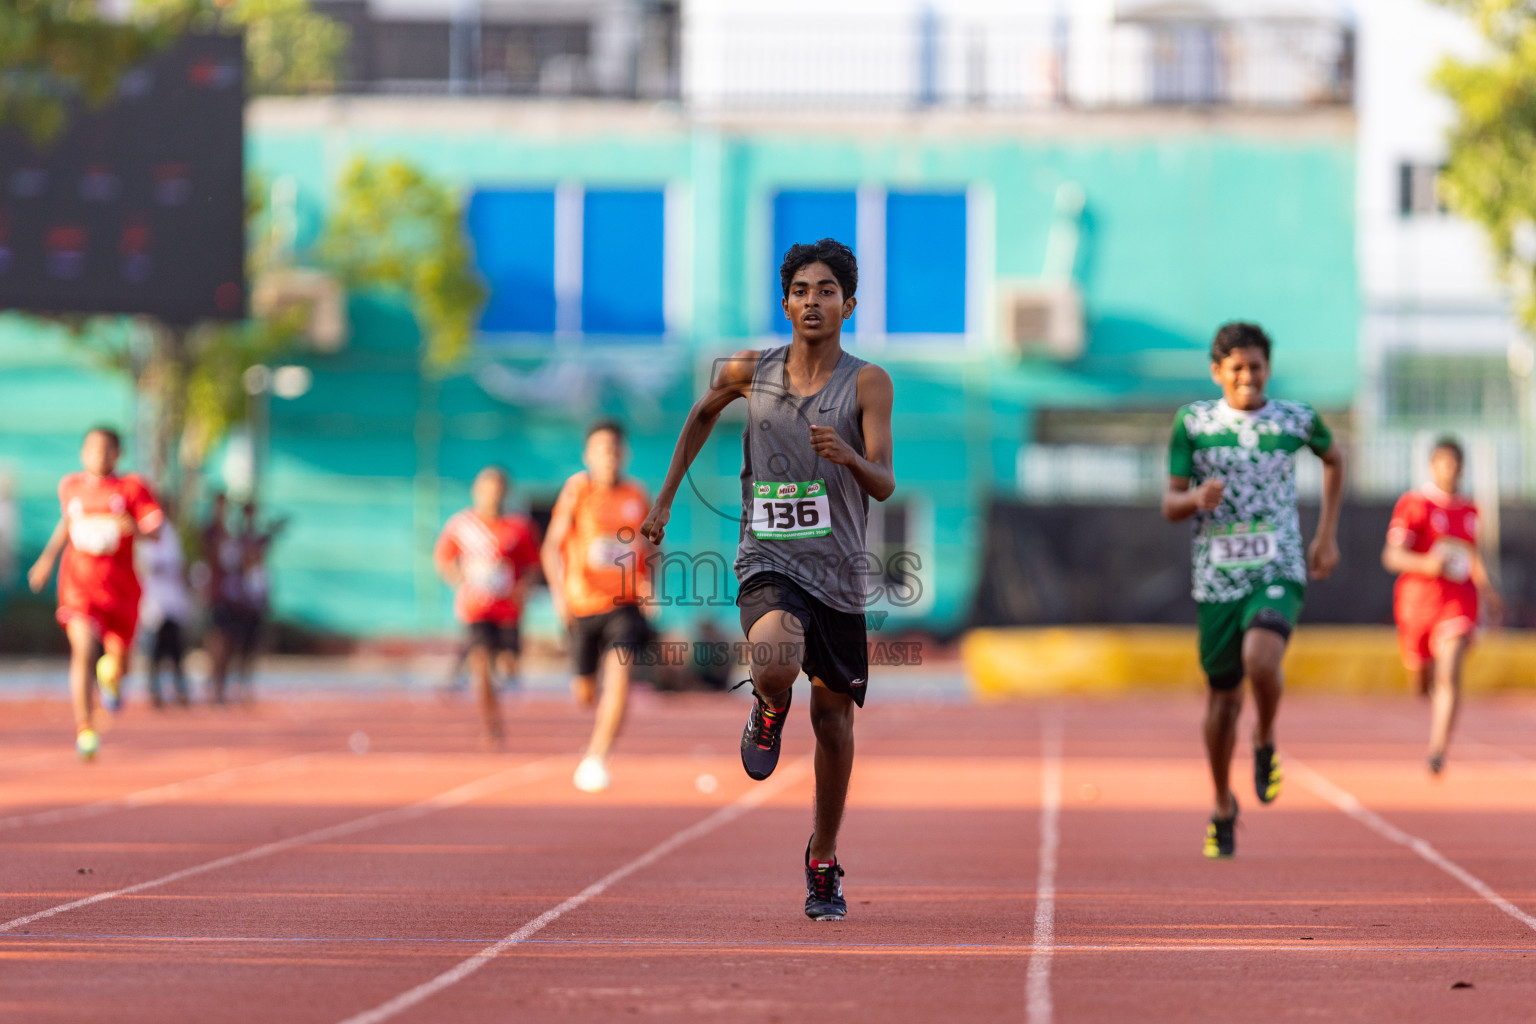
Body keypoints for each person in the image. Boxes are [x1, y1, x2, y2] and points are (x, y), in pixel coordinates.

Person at [641, 238, 895, 921]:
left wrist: (847, 455)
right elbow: (700, 413)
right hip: (768, 557)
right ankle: (768, 705)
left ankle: (823, 858)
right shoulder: (751, 368)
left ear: (849, 304)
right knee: (776, 660)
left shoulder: (868, 383)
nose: (814, 301)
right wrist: (665, 499)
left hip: (838, 572)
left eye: (828, 291)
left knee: (835, 723)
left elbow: (885, 482)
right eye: (802, 290)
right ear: (786, 302)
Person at [1162, 322, 1345, 859]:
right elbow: (1169, 505)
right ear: (1217, 371)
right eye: (1237, 368)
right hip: (1217, 575)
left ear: (1269, 368)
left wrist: (1326, 535)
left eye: (1257, 367)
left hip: (1278, 564)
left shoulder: (1296, 418)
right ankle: (1222, 804)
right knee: (1221, 699)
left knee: (1262, 660)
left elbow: (1335, 460)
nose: (1248, 377)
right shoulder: (1193, 423)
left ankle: (1264, 737)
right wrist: (1196, 499)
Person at [28, 426, 163, 759]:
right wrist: (46, 560)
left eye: (105, 450)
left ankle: (112, 675)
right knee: (83, 650)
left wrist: (134, 529)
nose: (97, 456)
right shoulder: (71, 487)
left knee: (119, 661)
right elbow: (67, 524)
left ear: (117, 454)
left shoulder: (132, 487)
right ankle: (85, 727)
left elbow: (155, 530)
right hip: (79, 588)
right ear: (82, 453)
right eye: (91, 449)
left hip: (121, 590)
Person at [542, 421, 655, 794]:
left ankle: (596, 756)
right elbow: (551, 548)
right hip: (582, 605)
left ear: (624, 454)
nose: (608, 456)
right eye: (600, 450)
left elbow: (652, 547)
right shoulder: (577, 490)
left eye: (614, 449)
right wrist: (559, 595)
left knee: (620, 677)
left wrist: (649, 585)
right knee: (585, 694)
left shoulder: (637, 495)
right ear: (588, 455)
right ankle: (595, 714)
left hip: (624, 605)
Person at [1382, 437, 1502, 774]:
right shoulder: (1414, 505)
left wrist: (1488, 589)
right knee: (1422, 681)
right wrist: (1426, 565)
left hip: (1457, 602)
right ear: (1432, 465)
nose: (1450, 470)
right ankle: (1425, 678)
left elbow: (1472, 555)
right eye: (1443, 463)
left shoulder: (1471, 510)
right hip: (1418, 604)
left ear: (1462, 467)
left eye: (1455, 464)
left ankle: (1437, 749)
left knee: (1449, 671)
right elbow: (1392, 555)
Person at [434, 465, 542, 745]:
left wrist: (523, 589)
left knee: (506, 666)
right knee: (480, 665)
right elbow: (444, 557)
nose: (492, 496)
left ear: (505, 493)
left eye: (497, 490)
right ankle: (492, 724)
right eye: (486, 490)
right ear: (476, 492)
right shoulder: (462, 524)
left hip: (508, 612)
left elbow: (532, 566)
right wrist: (456, 575)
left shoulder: (519, 527)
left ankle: (506, 672)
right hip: (476, 610)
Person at [137, 505, 192, 708]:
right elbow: (146, 566)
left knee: (176, 649)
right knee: (154, 650)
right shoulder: (145, 538)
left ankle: (180, 688)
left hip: (173, 603)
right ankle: (155, 689)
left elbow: (180, 565)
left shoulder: (172, 535)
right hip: (154, 603)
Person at [201, 492, 246, 705]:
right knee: (218, 643)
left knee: (230, 644)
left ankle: (222, 685)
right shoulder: (210, 532)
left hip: (233, 596)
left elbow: (239, 564)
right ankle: (213, 686)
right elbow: (213, 558)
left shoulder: (231, 534)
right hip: (216, 595)